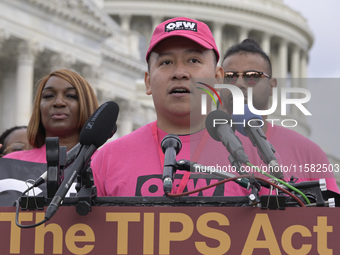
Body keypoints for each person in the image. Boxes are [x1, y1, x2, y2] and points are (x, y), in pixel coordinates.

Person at [220, 38, 339, 192]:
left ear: (272, 85)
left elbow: (329, 214)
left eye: (252, 77)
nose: (239, 84)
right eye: (230, 77)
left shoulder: (309, 154)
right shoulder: (193, 147)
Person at [3, 69, 98, 163]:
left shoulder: (104, 163)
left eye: (70, 96)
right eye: (49, 96)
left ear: (86, 105)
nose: (59, 102)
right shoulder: (11, 162)